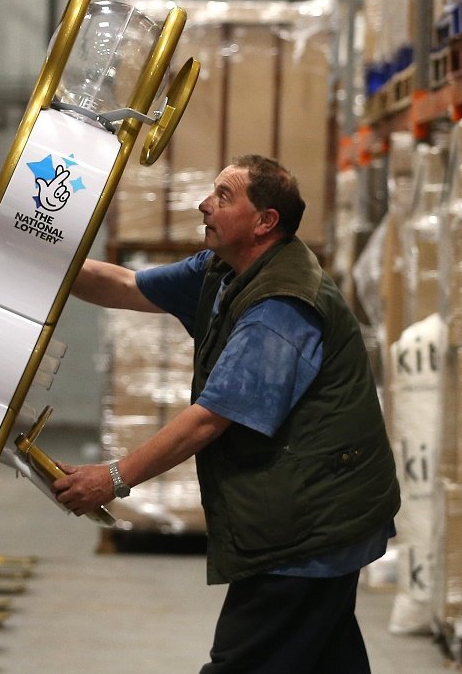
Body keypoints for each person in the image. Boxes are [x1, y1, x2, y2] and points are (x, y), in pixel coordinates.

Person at [50, 155, 400, 673]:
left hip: (309, 522)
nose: (204, 204)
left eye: (224, 196)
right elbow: (125, 286)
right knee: (325, 656)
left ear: (265, 222)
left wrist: (115, 477)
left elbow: (211, 417)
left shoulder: (280, 305)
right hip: (312, 513)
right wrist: (27, 255)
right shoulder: (225, 269)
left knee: (244, 661)